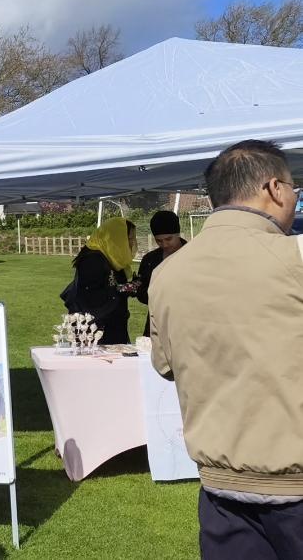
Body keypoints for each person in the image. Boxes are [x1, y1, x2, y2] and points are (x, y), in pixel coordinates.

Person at [150, 140, 303, 559]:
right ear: (274, 188)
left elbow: (165, 364)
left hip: (221, 487)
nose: (294, 198)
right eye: (294, 188)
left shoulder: (166, 272)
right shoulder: (296, 256)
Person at [67, 217, 138, 345]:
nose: (132, 243)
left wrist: (130, 287)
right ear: (116, 238)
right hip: (97, 327)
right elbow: (92, 295)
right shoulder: (93, 259)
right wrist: (125, 288)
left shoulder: (112, 257)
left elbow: (115, 284)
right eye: (129, 238)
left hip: (113, 321)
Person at [136, 211, 186, 337]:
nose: (165, 244)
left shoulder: (193, 255)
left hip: (186, 322)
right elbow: (142, 294)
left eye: (169, 239)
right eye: (159, 241)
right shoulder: (149, 260)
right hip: (156, 322)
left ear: (178, 234)